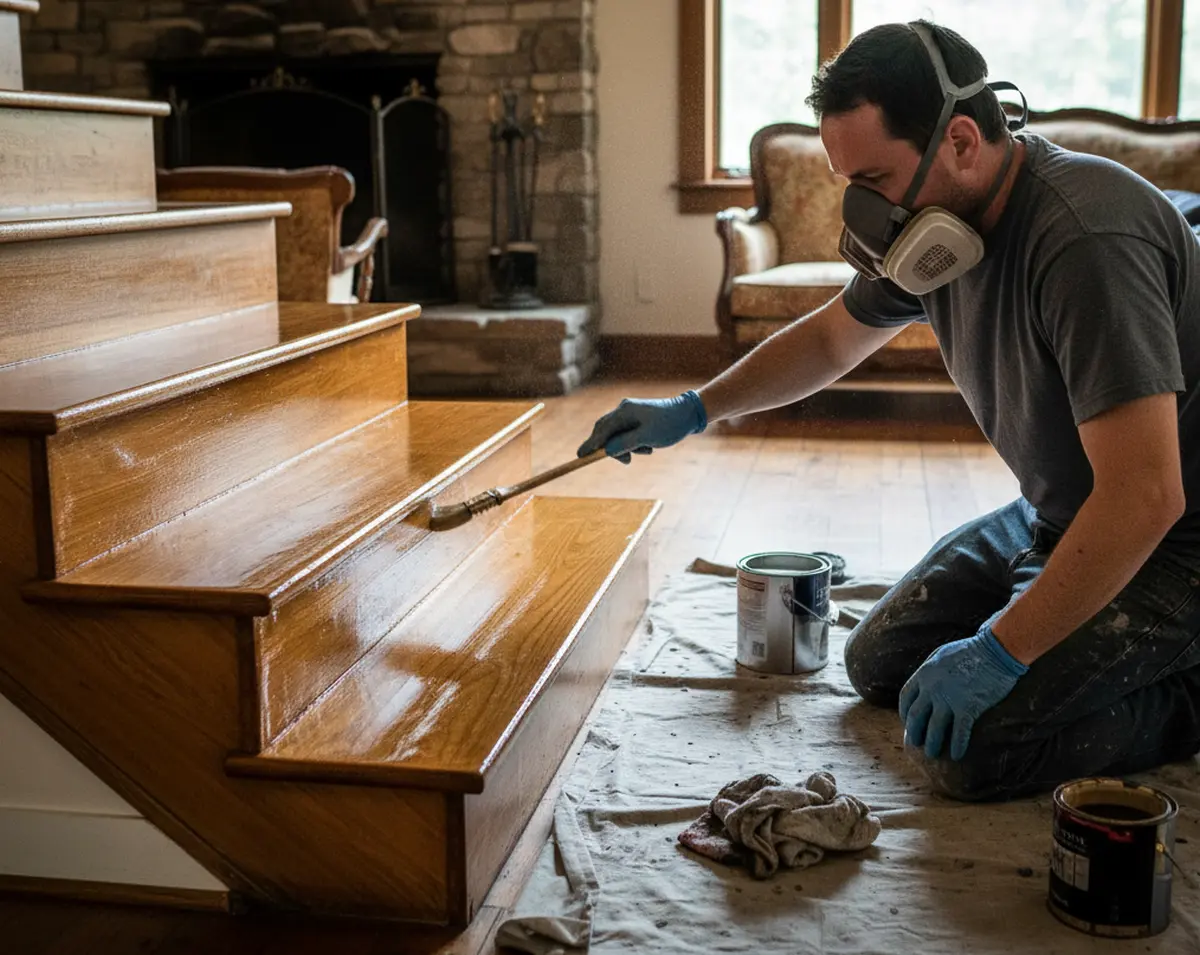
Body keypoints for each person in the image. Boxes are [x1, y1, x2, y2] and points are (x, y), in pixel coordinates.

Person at [577, 20, 1200, 801]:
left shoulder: (1086, 240)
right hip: (1056, 512)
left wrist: (1001, 649)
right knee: (877, 665)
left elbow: (1146, 496)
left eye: (873, 179)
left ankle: (1187, 695)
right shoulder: (939, 234)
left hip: (1174, 542)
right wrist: (695, 407)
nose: (863, 212)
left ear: (961, 141)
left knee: (973, 751)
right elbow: (830, 340)